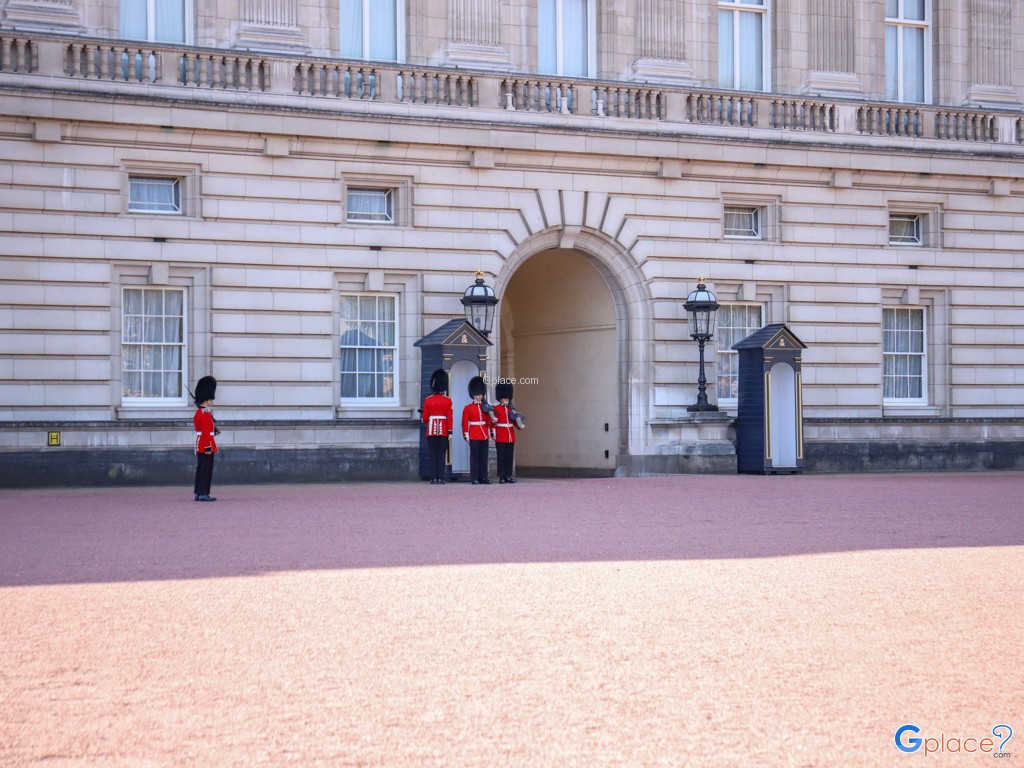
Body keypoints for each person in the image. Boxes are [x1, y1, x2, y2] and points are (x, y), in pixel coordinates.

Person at [421, 368, 453, 484]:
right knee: (441, 454)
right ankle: (441, 477)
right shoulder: (448, 400)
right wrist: (450, 432)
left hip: (431, 431)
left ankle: (433, 477)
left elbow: (425, 418)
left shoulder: (428, 400)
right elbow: (450, 417)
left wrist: (425, 421)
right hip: (444, 430)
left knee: (433, 454)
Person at [492, 380, 524, 484]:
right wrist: (494, 434)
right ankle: (501, 476)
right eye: (505, 398)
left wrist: (520, 426)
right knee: (501, 457)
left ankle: (508, 475)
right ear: (500, 399)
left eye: (507, 398)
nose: (506, 400)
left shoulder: (511, 410)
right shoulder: (496, 409)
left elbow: (514, 421)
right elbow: (493, 423)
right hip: (500, 435)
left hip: (510, 435)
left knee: (509, 457)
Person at [462, 375, 492, 485]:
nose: (479, 397)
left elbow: (488, 422)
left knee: (484, 457)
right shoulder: (468, 408)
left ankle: (483, 477)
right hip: (474, 434)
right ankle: (474, 477)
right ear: (473, 395)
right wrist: (466, 435)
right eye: (477, 395)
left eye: (480, 394)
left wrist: (492, 419)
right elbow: (465, 422)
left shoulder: (485, 407)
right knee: (474, 457)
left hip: (484, 434)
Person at [193, 375, 219, 502]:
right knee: (206, 469)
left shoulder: (202, 413)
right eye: (209, 399)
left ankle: (199, 492)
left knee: (202, 468)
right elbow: (205, 433)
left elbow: (208, 430)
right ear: (206, 399)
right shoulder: (203, 414)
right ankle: (203, 492)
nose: (210, 401)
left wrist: (215, 430)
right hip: (205, 445)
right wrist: (208, 447)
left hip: (203, 443)